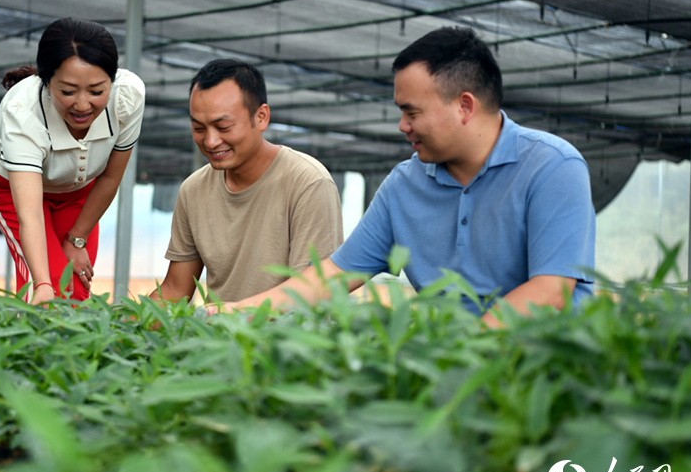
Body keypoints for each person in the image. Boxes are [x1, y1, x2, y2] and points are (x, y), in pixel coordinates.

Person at [217, 27, 596, 327]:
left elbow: (551, 290)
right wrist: (234, 312)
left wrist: (459, 354)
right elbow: (331, 276)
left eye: (412, 113)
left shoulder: (551, 167)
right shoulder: (404, 186)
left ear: (464, 106)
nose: (402, 125)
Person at [0, 18, 145, 305]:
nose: (83, 105)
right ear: (46, 81)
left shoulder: (128, 97)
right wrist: (41, 283)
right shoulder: (23, 113)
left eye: (97, 91)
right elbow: (30, 214)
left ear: (112, 81)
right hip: (8, 185)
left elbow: (111, 177)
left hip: (76, 188)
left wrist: (77, 239)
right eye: (68, 91)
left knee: (74, 288)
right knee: (50, 288)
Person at [150, 59, 344, 303]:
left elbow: (309, 294)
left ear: (261, 117)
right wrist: (128, 321)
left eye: (224, 126)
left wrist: (236, 313)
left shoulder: (308, 183)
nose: (210, 141)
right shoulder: (193, 189)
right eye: (199, 128)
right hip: (218, 326)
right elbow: (176, 288)